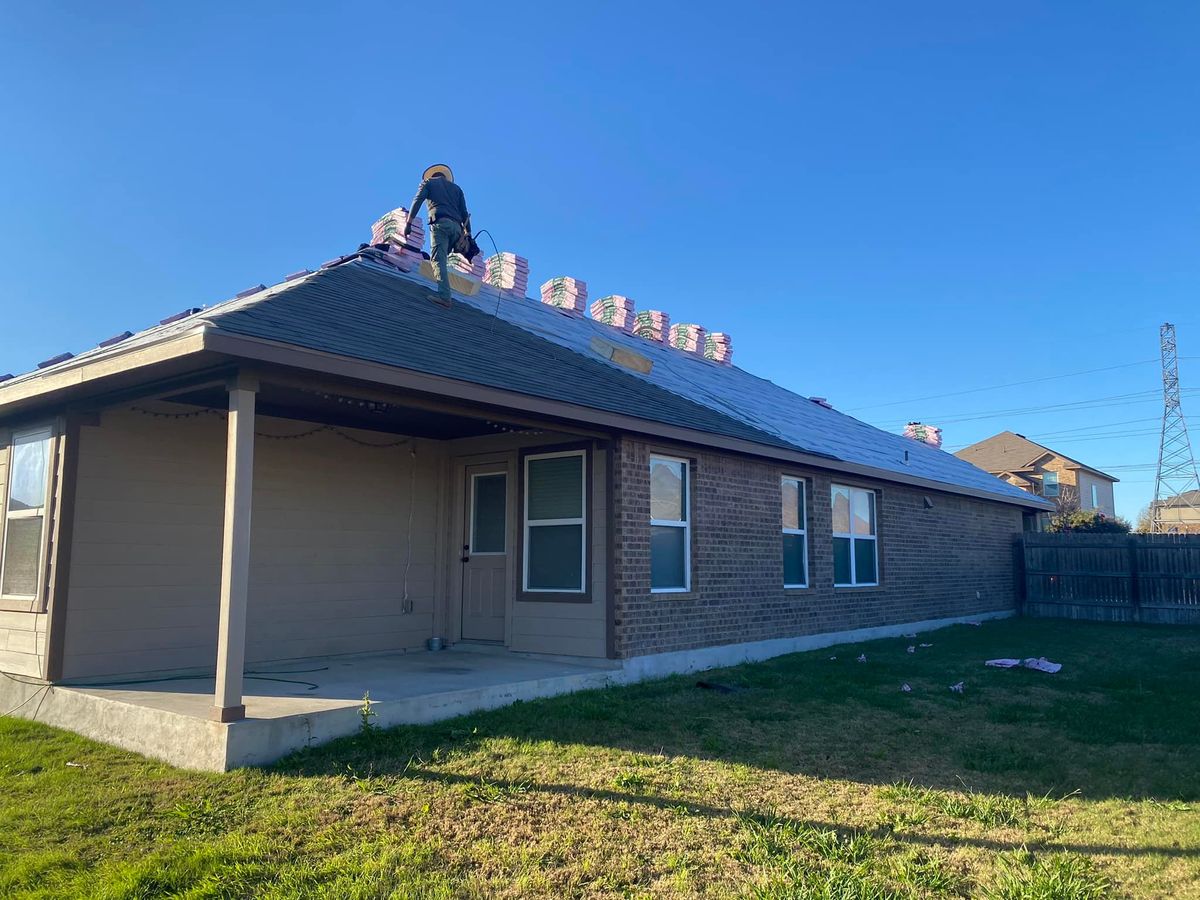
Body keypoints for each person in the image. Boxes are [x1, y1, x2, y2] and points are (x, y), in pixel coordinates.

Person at [404, 163, 471, 306]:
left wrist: (409, 223)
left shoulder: (428, 183)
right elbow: (465, 213)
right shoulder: (457, 189)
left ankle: (445, 297)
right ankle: (444, 285)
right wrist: (468, 234)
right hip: (457, 229)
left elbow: (417, 201)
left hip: (441, 224)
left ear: (432, 176)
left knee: (438, 260)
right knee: (443, 259)